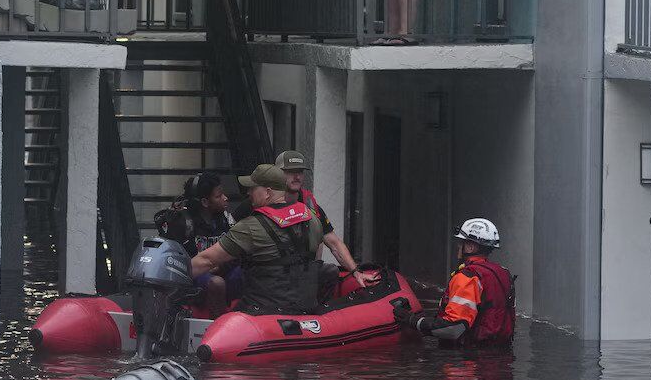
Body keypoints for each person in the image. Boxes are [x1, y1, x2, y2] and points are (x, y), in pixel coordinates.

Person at [188, 165, 324, 315]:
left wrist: (171, 276)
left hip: (263, 309)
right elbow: (315, 255)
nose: (248, 192)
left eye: (253, 188)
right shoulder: (312, 219)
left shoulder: (250, 226)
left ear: (267, 192)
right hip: (305, 307)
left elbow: (206, 260)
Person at [393, 217, 514, 347]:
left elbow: (453, 329)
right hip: (499, 356)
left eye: (461, 242)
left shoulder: (467, 278)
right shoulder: (503, 274)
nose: (458, 246)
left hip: (468, 358)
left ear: (471, 247)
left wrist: (411, 320)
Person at [274, 149, 371, 289]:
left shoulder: (312, 208)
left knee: (330, 271)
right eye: (290, 171)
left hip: (304, 273)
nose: (296, 176)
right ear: (277, 174)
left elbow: (334, 244)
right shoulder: (263, 202)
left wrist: (356, 272)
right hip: (274, 274)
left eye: (300, 171)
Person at [156, 172, 240, 316]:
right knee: (216, 283)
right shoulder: (182, 223)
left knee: (250, 272)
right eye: (218, 196)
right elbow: (177, 264)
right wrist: (207, 268)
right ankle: (219, 324)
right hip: (194, 280)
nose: (225, 198)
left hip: (222, 271)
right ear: (205, 202)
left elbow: (236, 252)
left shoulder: (225, 218)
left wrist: (220, 265)